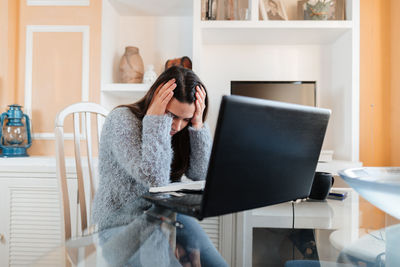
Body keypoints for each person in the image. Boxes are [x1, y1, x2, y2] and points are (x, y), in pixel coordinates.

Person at [92, 66, 228, 266]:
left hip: (165, 216)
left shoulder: (181, 129)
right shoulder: (121, 120)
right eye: (172, 115)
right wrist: (155, 120)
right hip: (121, 225)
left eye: (186, 119)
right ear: (157, 98)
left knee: (215, 264)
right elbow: (154, 181)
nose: (178, 126)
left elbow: (200, 175)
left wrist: (197, 126)